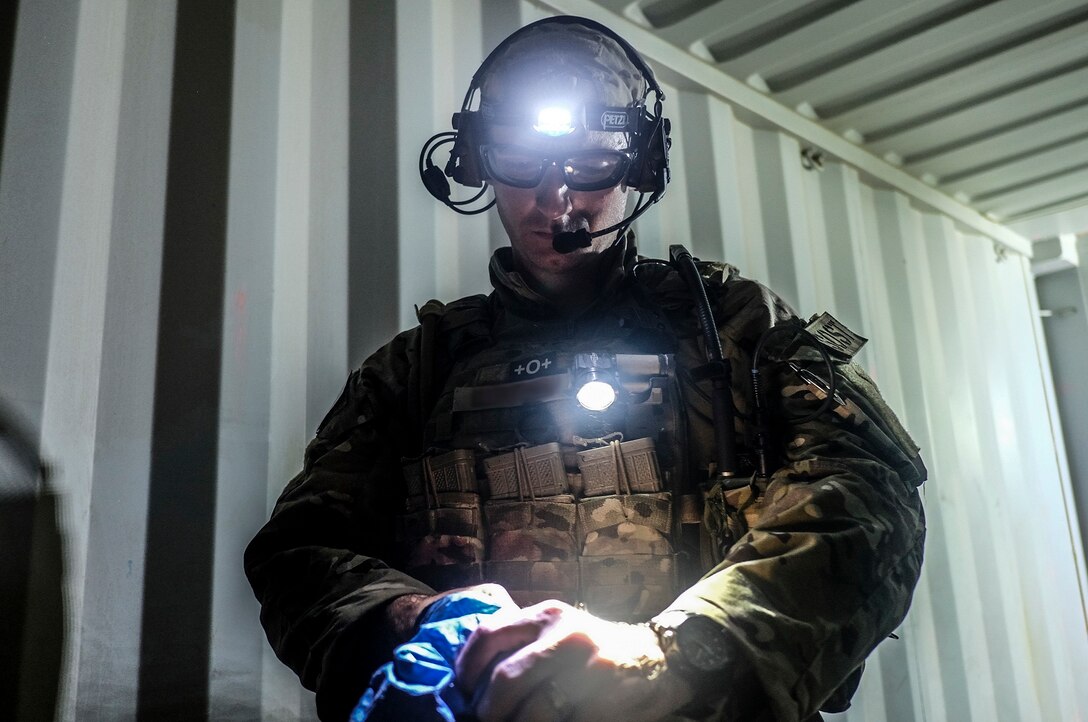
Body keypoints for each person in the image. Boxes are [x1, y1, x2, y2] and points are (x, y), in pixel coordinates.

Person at [245, 15, 926, 722]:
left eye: (592, 163)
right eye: (518, 156)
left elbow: (870, 498)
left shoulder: (737, 327)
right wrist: (410, 618)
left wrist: (675, 657)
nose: (555, 199)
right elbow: (299, 549)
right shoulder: (417, 368)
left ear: (644, 167)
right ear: (474, 162)